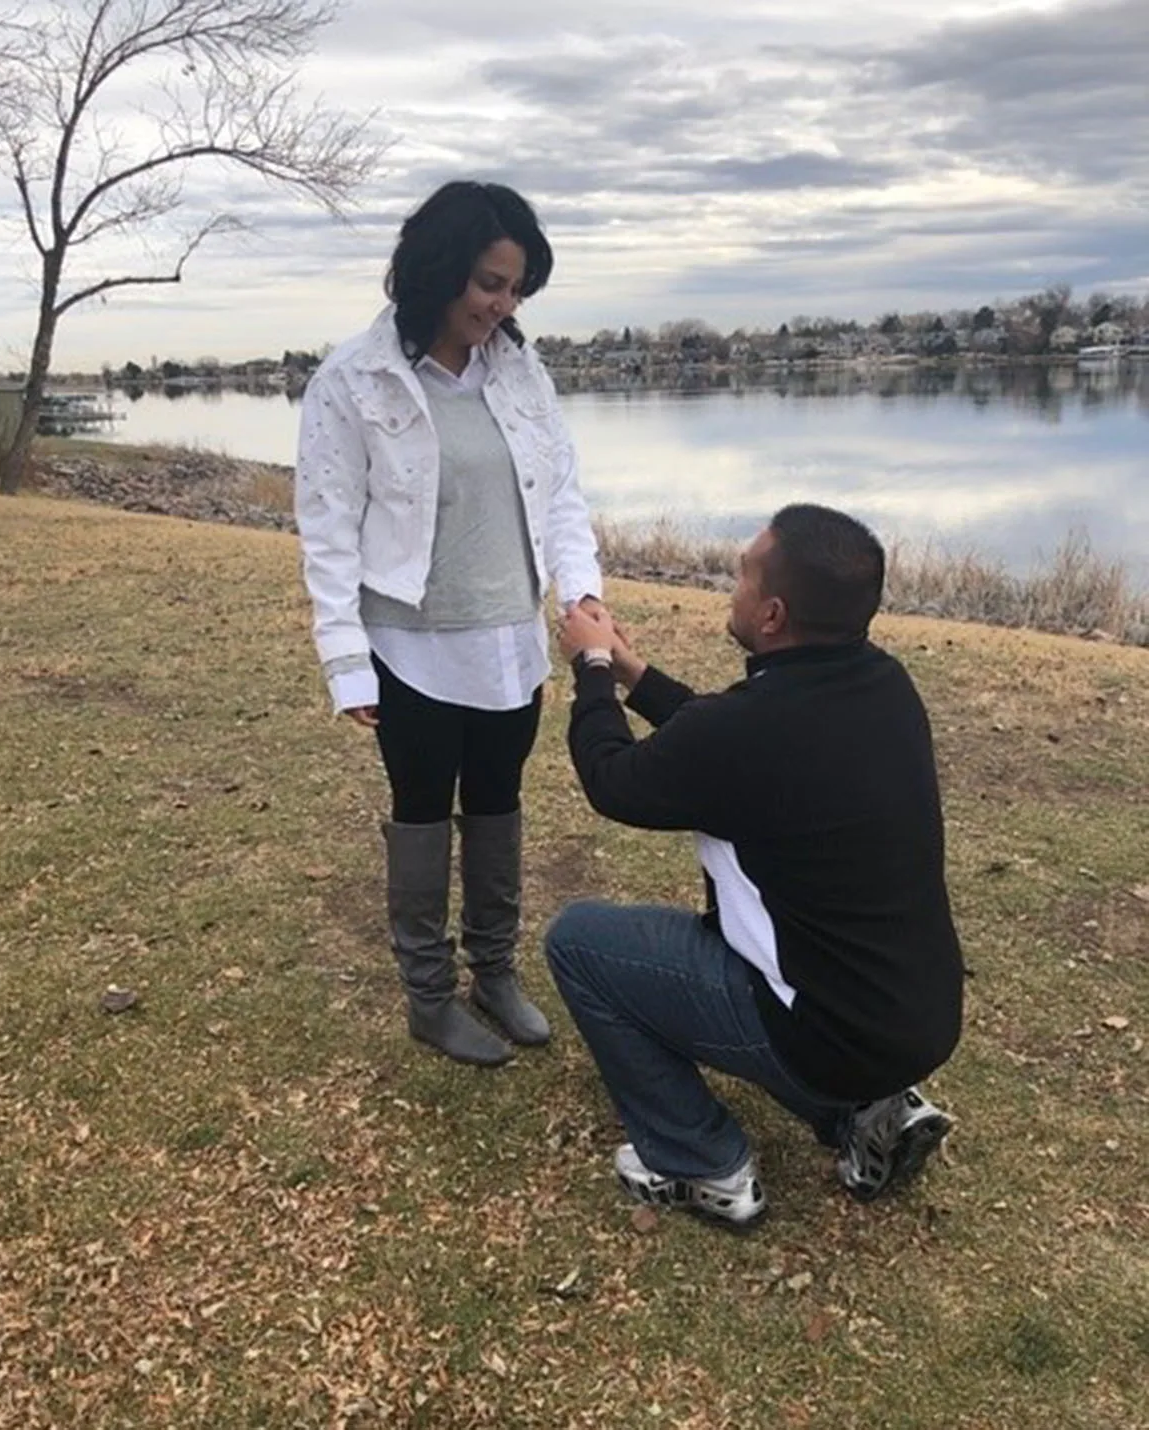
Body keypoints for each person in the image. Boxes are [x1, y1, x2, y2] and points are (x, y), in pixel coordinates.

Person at [549, 503, 963, 1232]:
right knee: (820, 1000)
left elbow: (613, 781)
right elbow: (721, 737)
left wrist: (589, 668)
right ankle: (872, 1109)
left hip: (823, 1033)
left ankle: (700, 1162)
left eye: (741, 575)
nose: (730, 588)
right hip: (919, 1017)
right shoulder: (884, 687)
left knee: (578, 943)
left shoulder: (745, 731)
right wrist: (632, 672)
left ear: (772, 614)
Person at [296, 181, 602, 1067]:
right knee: (425, 812)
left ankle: (495, 973)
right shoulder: (353, 381)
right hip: (411, 649)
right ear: (437, 270)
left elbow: (562, 497)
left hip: (510, 641)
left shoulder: (521, 370)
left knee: (500, 804)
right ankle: (429, 996)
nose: (501, 307)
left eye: (515, 290)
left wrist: (579, 595)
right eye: (489, 285)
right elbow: (327, 533)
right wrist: (348, 662)